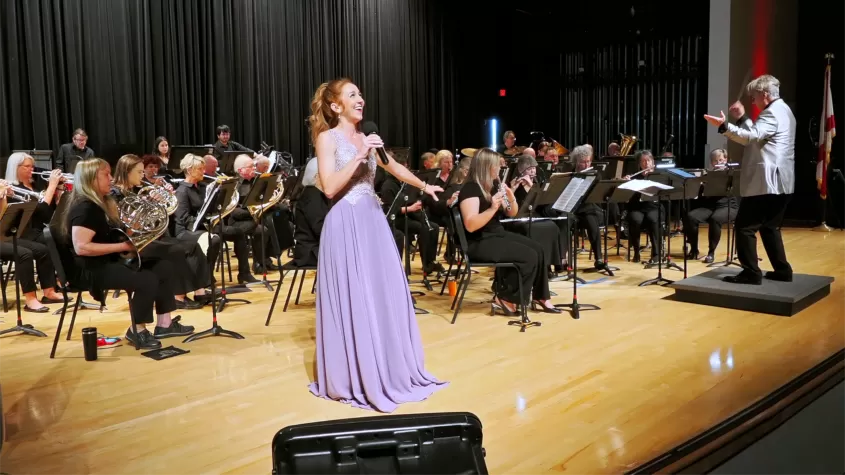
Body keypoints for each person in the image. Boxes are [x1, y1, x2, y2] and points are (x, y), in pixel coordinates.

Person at [307, 77, 447, 412]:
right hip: (346, 222)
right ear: (335, 105)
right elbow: (328, 188)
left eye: (361, 94)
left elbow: (393, 166)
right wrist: (359, 155)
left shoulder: (366, 136)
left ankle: (387, 364)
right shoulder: (328, 138)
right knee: (357, 295)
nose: (361, 100)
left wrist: (424, 187)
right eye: (352, 95)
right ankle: (357, 374)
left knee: (383, 292)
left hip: (372, 221)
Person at [58, 158, 193, 349]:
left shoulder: (102, 203)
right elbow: (82, 247)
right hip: (89, 269)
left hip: (105, 262)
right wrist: (123, 248)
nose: (111, 178)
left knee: (164, 267)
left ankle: (165, 325)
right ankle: (138, 330)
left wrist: (136, 225)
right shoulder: (85, 207)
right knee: (147, 279)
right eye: (106, 174)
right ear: (91, 179)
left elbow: (116, 234)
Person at [704, 74, 795, 284]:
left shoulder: (771, 114)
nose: (752, 101)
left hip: (767, 183)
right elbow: (757, 136)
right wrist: (742, 119)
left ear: (764, 94)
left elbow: (751, 137)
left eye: (753, 97)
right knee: (769, 227)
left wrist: (724, 126)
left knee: (744, 227)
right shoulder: (784, 111)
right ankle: (783, 271)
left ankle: (751, 273)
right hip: (782, 182)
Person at [458, 148, 559, 315]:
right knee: (528, 256)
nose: (500, 169)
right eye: (497, 166)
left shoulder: (493, 185)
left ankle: (541, 296)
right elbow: (470, 225)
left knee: (538, 249)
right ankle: (506, 298)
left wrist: (510, 196)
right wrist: (492, 208)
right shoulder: (470, 189)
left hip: (496, 235)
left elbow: (512, 212)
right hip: (479, 241)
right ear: (486, 166)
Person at [111, 154, 209, 308]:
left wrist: (164, 199)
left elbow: (156, 218)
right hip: (130, 243)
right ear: (127, 172)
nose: (143, 175)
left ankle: (200, 291)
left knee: (192, 245)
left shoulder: (138, 189)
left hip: (148, 237)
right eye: (139, 172)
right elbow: (122, 224)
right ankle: (178, 296)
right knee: (176, 250)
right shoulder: (114, 194)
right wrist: (148, 203)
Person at [684, 149, 739, 263]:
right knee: (691, 217)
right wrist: (700, 186)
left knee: (716, 218)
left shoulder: (732, 174)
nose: (718, 162)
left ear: (726, 160)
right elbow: (699, 195)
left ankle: (711, 252)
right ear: (712, 163)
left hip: (728, 206)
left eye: (721, 160)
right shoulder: (708, 175)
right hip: (710, 207)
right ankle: (694, 250)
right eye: (715, 161)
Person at [624, 150, 662, 264]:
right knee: (635, 219)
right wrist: (625, 182)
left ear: (652, 162)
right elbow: (627, 196)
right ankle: (636, 251)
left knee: (653, 219)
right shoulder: (635, 177)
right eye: (643, 161)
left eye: (648, 160)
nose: (646, 164)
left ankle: (656, 254)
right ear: (640, 164)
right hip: (637, 207)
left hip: (654, 206)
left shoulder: (659, 176)